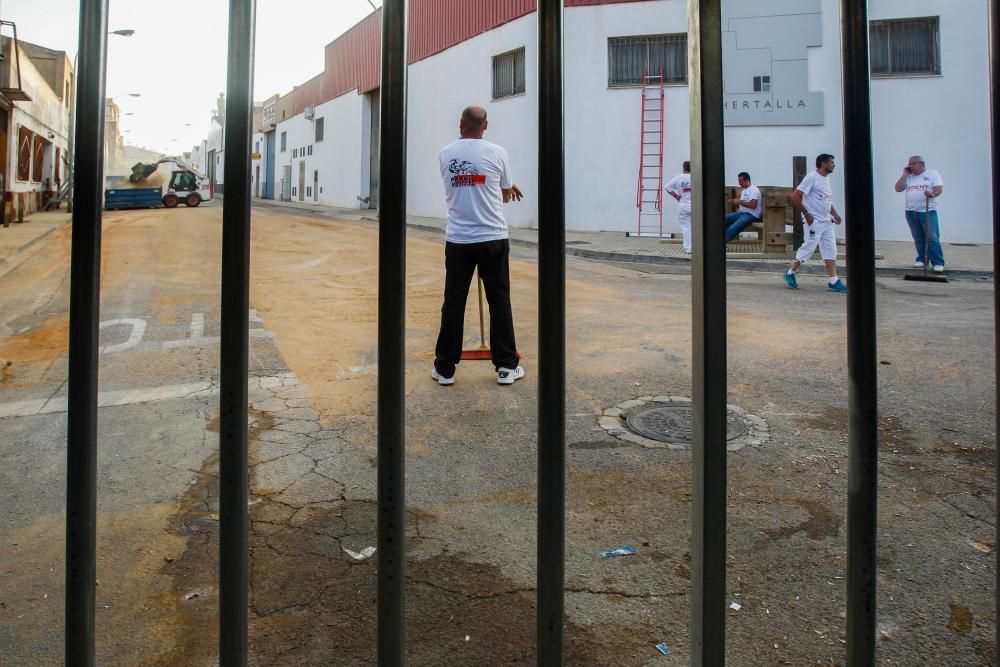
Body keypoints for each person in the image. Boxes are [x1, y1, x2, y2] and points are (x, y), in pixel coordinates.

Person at [432, 106, 525, 386]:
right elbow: (505, 192)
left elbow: (466, 187)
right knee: (499, 302)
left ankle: (445, 368)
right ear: (486, 125)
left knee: (454, 303)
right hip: (493, 238)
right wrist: (505, 187)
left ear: (461, 124)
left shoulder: (445, 154)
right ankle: (507, 366)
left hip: (459, 239)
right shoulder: (498, 152)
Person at [784, 154, 847, 293]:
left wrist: (834, 214)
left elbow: (825, 200)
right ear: (823, 164)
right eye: (831, 163)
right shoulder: (812, 177)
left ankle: (834, 281)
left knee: (831, 250)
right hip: (814, 221)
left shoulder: (826, 179)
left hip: (827, 221)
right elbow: (795, 196)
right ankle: (790, 272)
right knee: (809, 247)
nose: (833, 165)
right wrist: (806, 214)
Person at [894, 155, 945, 272]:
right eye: (909, 164)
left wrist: (932, 194)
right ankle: (922, 259)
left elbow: (938, 188)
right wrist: (904, 175)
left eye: (913, 163)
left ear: (921, 164)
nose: (910, 166)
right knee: (918, 238)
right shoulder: (909, 177)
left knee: (932, 237)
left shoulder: (932, 174)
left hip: (927, 210)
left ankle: (938, 262)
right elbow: (898, 188)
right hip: (911, 211)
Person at [724, 171, 763, 242]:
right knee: (724, 219)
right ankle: (722, 240)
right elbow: (743, 206)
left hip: (752, 215)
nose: (739, 183)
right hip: (742, 213)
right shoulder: (744, 190)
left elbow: (753, 205)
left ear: (747, 180)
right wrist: (734, 203)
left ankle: (721, 243)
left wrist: (739, 201)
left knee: (733, 227)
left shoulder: (754, 190)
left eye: (740, 181)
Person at [664, 161, 692, 254]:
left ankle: (689, 248)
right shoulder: (697, 177)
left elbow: (667, 187)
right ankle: (699, 246)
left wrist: (676, 196)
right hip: (696, 206)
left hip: (683, 206)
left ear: (683, 168)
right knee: (699, 227)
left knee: (686, 228)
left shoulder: (679, 178)